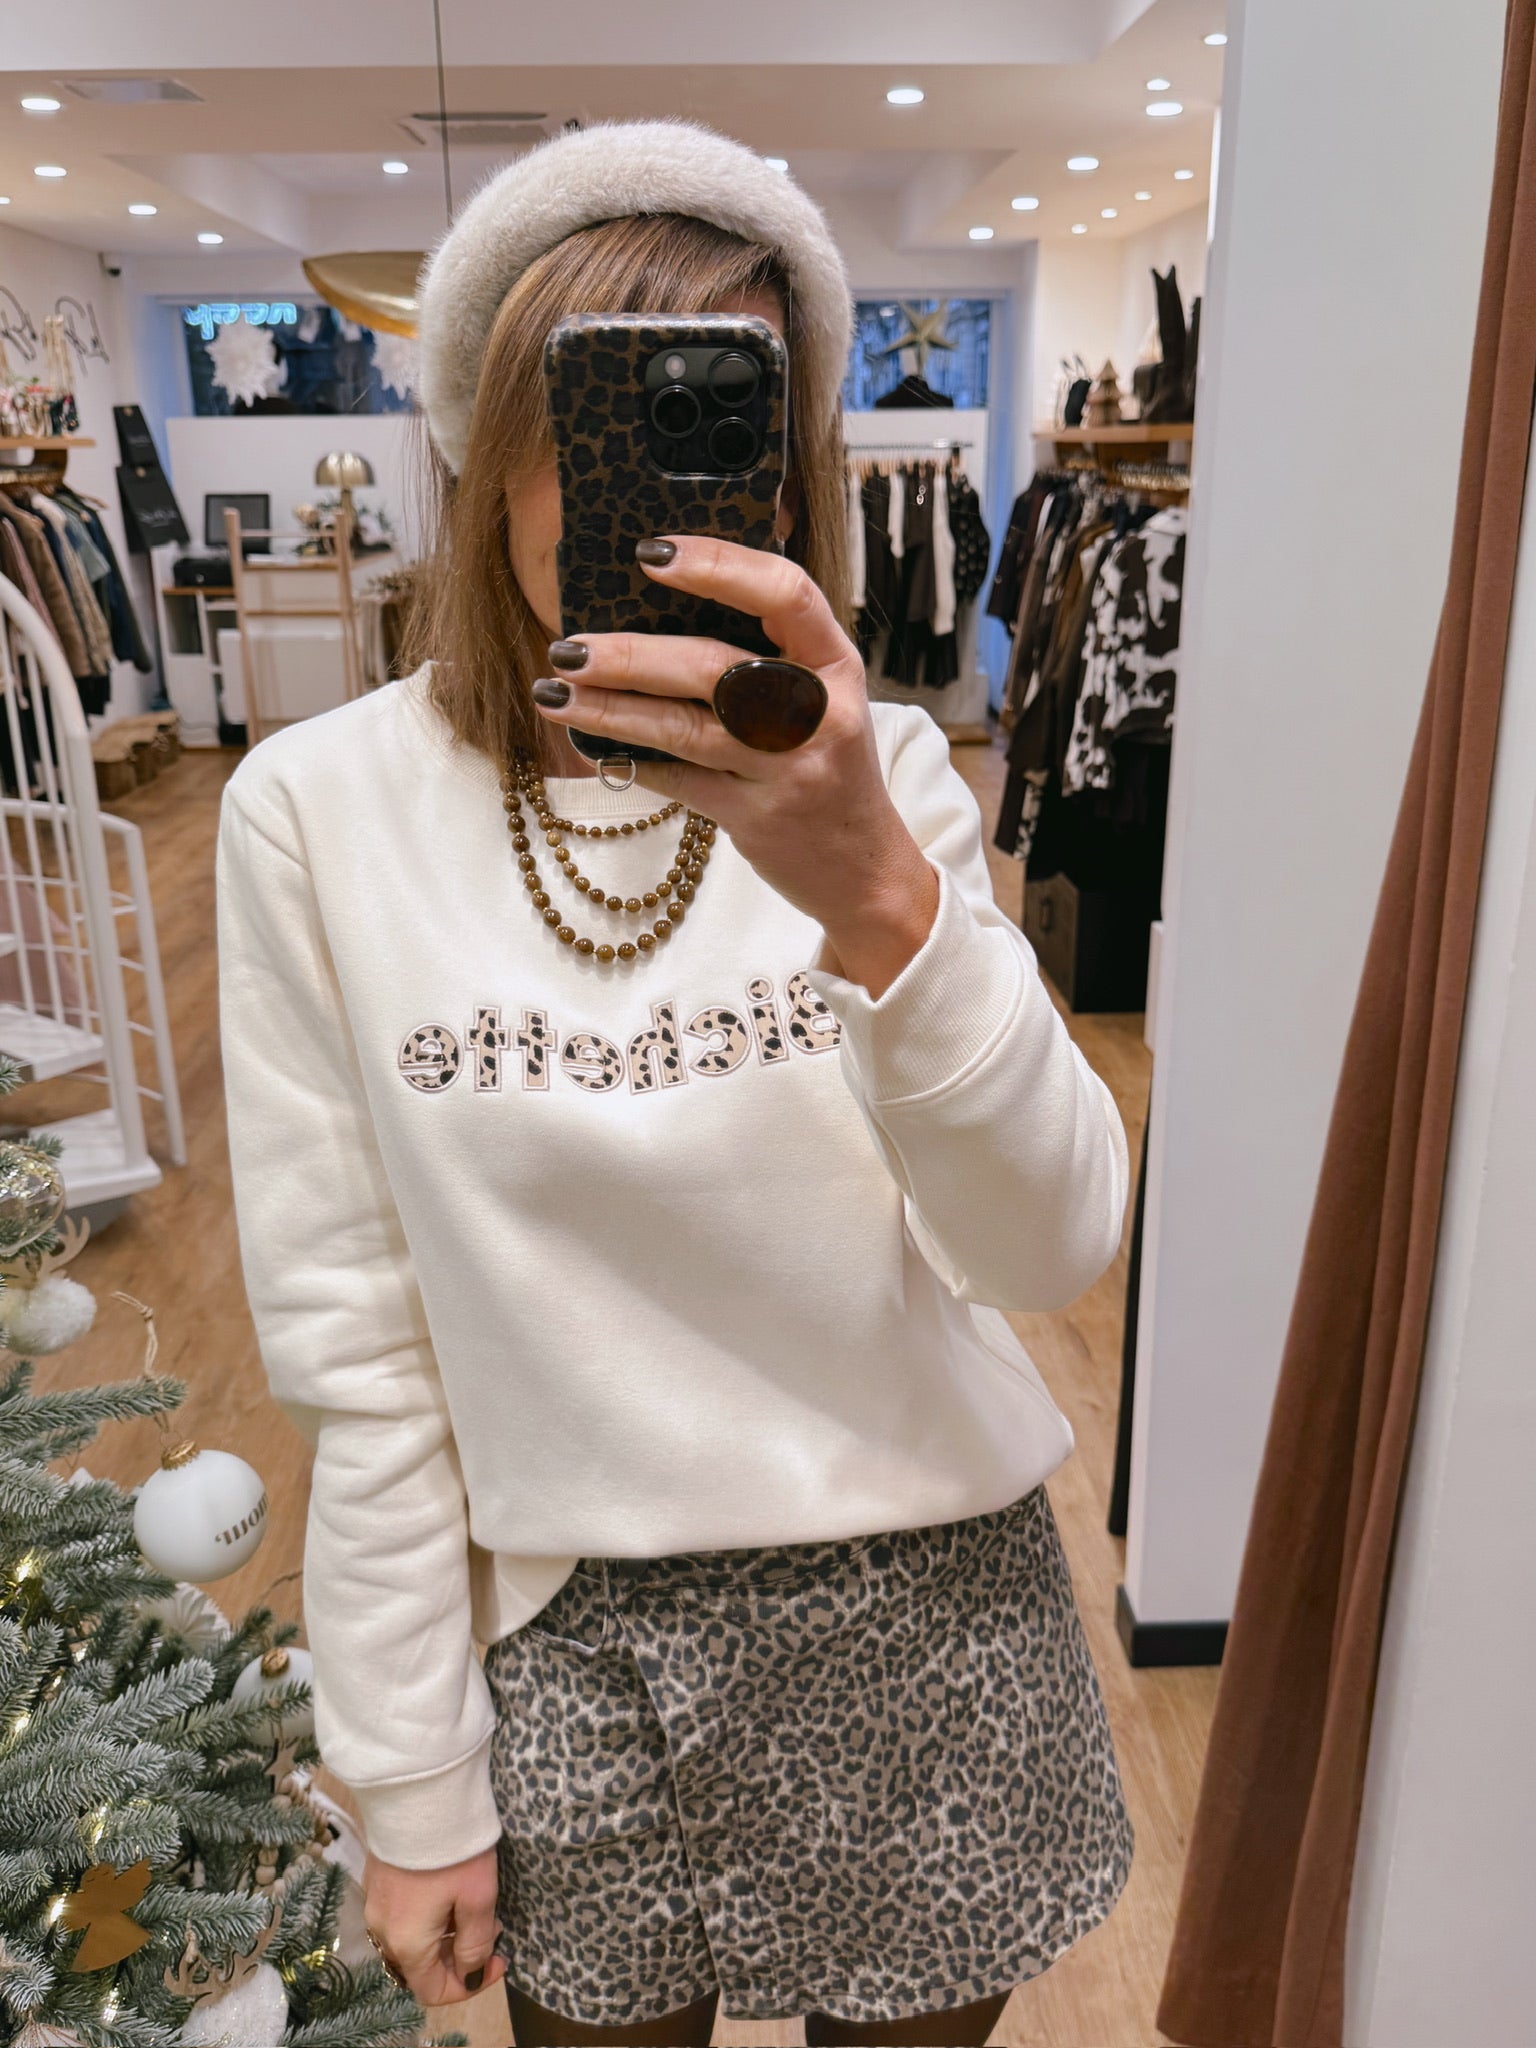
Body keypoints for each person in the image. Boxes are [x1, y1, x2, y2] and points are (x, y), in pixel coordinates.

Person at [217, 120, 1134, 2048]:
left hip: (929, 1616)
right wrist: (408, 1777)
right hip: (575, 1640)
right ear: (487, 448)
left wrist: (881, 899)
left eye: (725, 415)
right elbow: (359, 1342)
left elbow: (1051, 1251)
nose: (664, 482)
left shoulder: (884, 783)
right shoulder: (317, 811)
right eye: (603, 407)